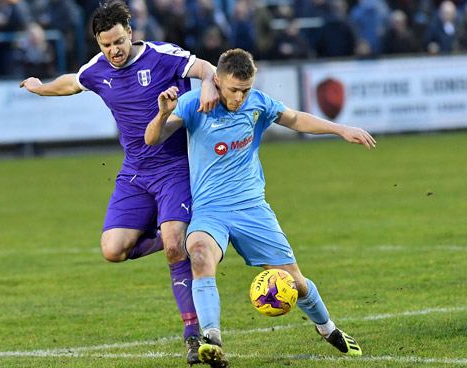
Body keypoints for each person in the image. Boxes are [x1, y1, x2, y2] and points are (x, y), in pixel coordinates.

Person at [145, 48, 375, 367]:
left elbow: (295, 118)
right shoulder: (194, 104)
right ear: (218, 81)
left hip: (252, 209)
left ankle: (330, 330)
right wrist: (160, 114)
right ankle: (211, 340)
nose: (239, 97)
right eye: (233, 90)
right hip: (210, 210)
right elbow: (152, 139)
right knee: (198, 254)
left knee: (296, 283)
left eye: (245, 90)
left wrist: (340, 129)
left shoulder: (258, 103)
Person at [19, 0, 219, 365]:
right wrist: (41, 86)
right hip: (135, 173)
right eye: (105, 45)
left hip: (175, 166)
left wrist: (207, 85)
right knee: (113, 250)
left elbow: (209, 69)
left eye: (118, 42)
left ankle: (194, 336)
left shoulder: (164, 56)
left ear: (130, 31)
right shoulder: (98, 69)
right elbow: (72, 83)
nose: (113, 50)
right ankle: (192, 234)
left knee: (175, 248)